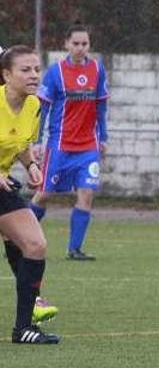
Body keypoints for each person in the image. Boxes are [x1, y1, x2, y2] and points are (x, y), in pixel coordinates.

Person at [30, 22, 110, 261]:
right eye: (75, 43)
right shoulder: (56, 72)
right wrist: (36, 141)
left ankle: (74, 249)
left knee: (86, 194)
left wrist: (103, 137)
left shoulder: (97, 69)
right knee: (44, 194)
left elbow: (101, 106)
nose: (80, 48)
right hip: (60, 146)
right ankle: (19, 236)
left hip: (88, 147)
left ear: (89, 45)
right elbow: (42, 108)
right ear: (66, 44)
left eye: (84, 43)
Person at [0, 45, 61, 344]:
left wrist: (32, 165)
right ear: (6, 75)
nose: (34, 75)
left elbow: (22, 144)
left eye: (36, 69)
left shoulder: (33, 105)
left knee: (34, 245)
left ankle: (24, 328)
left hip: (3, 184)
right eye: (25, 70)